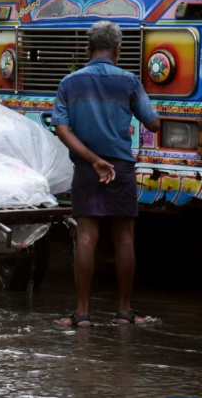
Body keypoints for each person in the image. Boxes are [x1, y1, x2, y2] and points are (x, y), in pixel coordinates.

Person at [52, 21, 160, 327]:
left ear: (87, 50)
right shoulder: (129, 81)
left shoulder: (69, 82)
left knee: (86, 237)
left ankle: (82, 313)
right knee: (124, 237)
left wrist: (93, 160)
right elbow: (152, 124)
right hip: (120, 167)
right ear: (117, 50)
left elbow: (61, 128)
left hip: (87, 169)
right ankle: (125, 311)